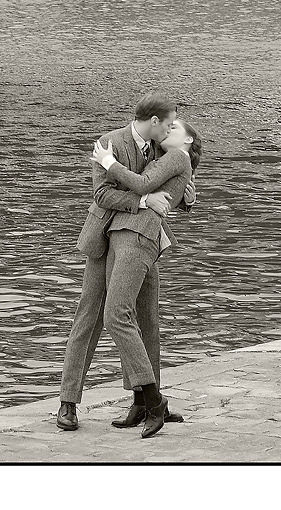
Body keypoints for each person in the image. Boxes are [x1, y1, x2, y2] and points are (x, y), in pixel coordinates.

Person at [57, 92, 197, 434]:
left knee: (147, 317)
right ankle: (68, 403)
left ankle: (145, 400)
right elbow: (102, 195)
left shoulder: (162, 147)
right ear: (154, 121)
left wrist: (186, 196)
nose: (169, 128)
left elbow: (173, 184)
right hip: (104, 237)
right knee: (89, 317)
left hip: (140, 239)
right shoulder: (110, 143)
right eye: (168, 122)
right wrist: (144, 199)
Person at [91, 118, 202, 438]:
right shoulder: (164, 156)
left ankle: (154, 400)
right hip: (124, 234)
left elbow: (141, 185)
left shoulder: (177, 157)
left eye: (175, 129)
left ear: (188, 142)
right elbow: (155, 184)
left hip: (140, 236)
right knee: (135, 318)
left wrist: (107, 161)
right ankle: (142, 400)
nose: (168, 131)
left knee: (116, 315)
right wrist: (187, 196)